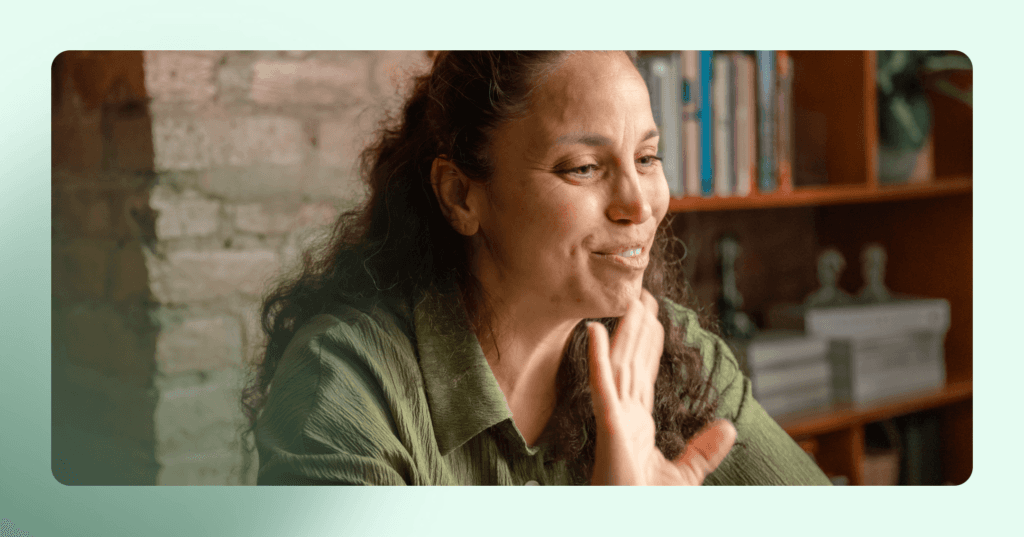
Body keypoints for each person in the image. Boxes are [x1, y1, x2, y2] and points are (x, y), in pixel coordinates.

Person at [241, 51, 831, 486]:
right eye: (582, 168)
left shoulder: (673, 355)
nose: (639, 204)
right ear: (461, 196)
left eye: (648, 158)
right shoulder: (344, 385)